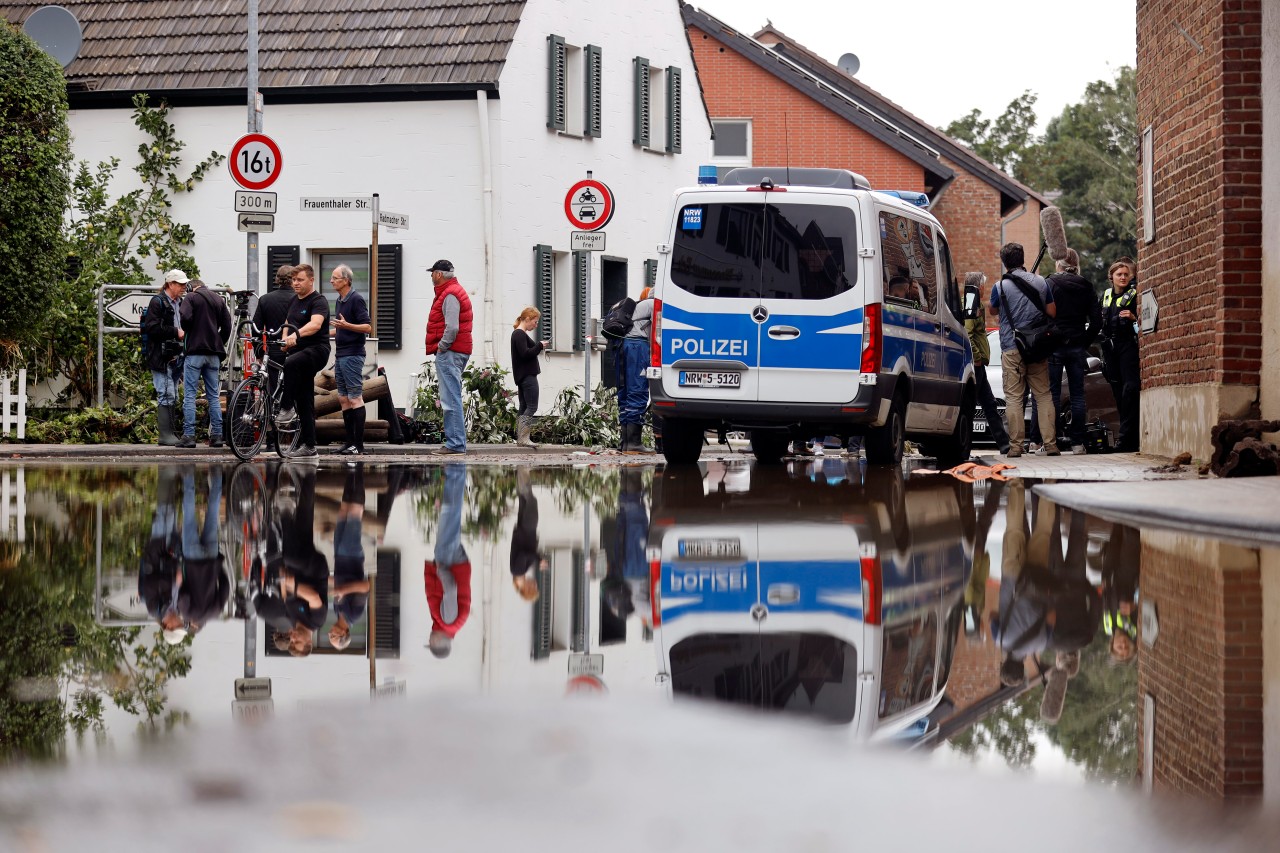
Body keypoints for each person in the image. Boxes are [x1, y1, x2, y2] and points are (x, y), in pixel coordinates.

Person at [990, 242, 1058, 457]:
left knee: (1013, 397)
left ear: (1004, 262)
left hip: (1011, 347)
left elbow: (993, 310)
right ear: (1022, 258)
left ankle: (1016, 447)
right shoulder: (1040, 282)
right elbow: (1052, 312)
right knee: (1044, 395)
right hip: (1036, 346)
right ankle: (1051, 445)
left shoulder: (999, 286)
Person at [1045, 249, 1102, 454]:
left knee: (1052, 394)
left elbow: (1043, 316)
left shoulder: (1049, 284)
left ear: (1058, 264)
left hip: (1055, 344)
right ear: (1077, 264)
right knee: (1078, 395)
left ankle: (1052, 441)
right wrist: (1083, 342)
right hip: (1077, 345)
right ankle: (1078, 443)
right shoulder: (1086, 286)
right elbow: (1096, 322)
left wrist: (1052, 336)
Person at [277, 263, 331, 459]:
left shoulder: (319, 301)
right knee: (304, 399)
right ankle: (310, 446)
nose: (295, 283)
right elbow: (287, 323)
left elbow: (315, 325)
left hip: (317, 350)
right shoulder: (293, 301)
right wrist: (285, 339)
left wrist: (296, 335)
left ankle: (286, 407)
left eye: (300, 280)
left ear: (311, 280)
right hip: (299, 353)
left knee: (290, 364)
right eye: (293, 280)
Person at [424, 259, 473, 455]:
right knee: (452, 396)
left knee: (450, 398)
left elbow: (452, 327)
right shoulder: (454, 291)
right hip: (458, 350)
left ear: (439, 274)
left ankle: (455, 444)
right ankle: (456, 443)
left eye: (432, 272)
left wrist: (442, 347)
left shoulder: (450, 294)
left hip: (450, 352)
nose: (431, 276)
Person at [177, 277, 232, 449]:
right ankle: (216, 436)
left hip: (195, 352)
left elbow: (184, 317)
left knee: (190, 396)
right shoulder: (218, 299)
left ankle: (189, 436)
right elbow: (228, 325)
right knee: (213, 396)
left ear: (190, 287)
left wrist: (189, 330)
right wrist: (217, 340)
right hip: (213, 354)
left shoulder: (191, 298)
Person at [424, 464, 471, 656]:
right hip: (449, 563)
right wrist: (440, 569)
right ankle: (456, 471)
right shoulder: (448, 621)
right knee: (449, 513)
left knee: (450, 515)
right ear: (439, 641)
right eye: (431, 642)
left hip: (453, 563)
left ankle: (456, 473)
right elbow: (450, 590)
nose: (428, 639)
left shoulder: (449, 624)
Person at [963, 271, 1010, 455]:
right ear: (978, 287)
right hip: (976, 364)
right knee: (973, 406)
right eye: (983, 285)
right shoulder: (971, 302)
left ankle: (1004, 445)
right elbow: (969, 333)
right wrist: (976, 357)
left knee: (989, 404)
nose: (984, 289)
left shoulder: (974, 302)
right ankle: (964, 446)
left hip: (979, 364)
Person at [330, 264, 372, 455]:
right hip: (340, 354)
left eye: (335, 278)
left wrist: (347, 325)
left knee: (355, 398)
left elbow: (367, 327)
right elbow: (341, 327)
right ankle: (349, 442)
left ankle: (358, 445)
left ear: (346, 280)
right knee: (343, 398)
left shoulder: (356, 299)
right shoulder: (339, 300)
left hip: (353, 354)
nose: (331, 281)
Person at [143, 270, 188, 447]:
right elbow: (152, 328)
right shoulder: (158, 302)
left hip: (175, 355)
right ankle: (165, 435)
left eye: (185, 284)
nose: (184, 287)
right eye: (180, 284)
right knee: (166, 393)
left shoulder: (180, 302)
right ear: (170, 284)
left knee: (174, 393)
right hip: (161, 355)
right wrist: (175, 332)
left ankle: (171, 432)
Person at [1101, 258, 1141, 452]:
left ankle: (1126, 439)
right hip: (1110, 349)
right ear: (1112, 277)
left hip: (1127, 346)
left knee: (1130, 390)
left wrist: (1134, 318)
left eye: (1126, 274)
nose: (1123, 277)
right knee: (1118, 393)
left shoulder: (1135, 295)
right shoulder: (1106, 295)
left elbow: (1141, 325)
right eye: (1119, 274)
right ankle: (1127, 438)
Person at [330, 465, 371, 650]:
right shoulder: (354, 614)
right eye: (334, 636)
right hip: (352, 558)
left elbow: (337, 584)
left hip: (339, 558)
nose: (330, 633)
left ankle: (350, 471)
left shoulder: (337, 611)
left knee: (343, 511)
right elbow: (365, 586)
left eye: (330, 636)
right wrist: (344, 590)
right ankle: (359, 469)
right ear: (344, 634)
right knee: (355, 514)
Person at [618, 286, 653, 453]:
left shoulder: (638, 305)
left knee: (625, 393)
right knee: (638, 391)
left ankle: (624, 443)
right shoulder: (654, 304)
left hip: (622, 346)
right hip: (637, 347)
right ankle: (634, 443)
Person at [510, 306, 549, 448]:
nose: (536, 325)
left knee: (524, 406)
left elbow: (526, 352)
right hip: (528, 376)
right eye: (535, 321)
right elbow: (525, 354)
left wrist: (539, 346)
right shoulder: (519, 334)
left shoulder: (518, 334)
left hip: (522, 376)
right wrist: (539, 345)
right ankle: (524, 438)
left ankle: (521, 438)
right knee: (532, 406)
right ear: (527, 319)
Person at [509, 467, 544, 601]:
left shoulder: (518, 572)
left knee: (530, 499)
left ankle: (523, 469)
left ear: (527, 589)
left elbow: (524, 554)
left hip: (527, 530)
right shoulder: (519, 572)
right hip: (523, 530)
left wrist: (539, 559)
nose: (535, 583)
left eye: (534, 587)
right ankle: (521, 470)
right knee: (524, 498)